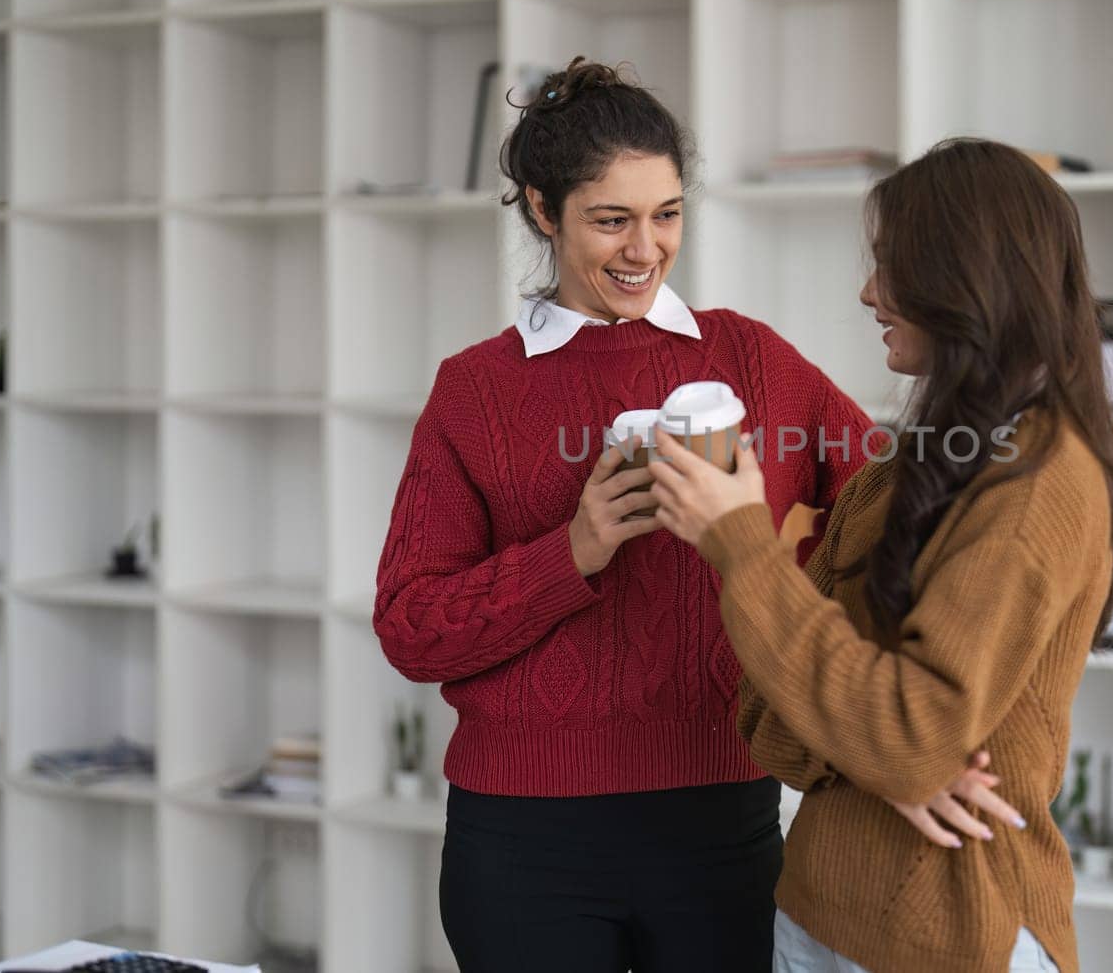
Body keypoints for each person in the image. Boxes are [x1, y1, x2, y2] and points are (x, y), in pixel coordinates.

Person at [372, 58, 879, 973]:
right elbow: (412, 627)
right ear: (541, 208)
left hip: (725, 819)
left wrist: (771, 569)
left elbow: (891, 514)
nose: (644, 248)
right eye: (612, 220)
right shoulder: (475, 391)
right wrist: (574, 548)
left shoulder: (753, 361)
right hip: (525, 842)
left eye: (667, 214)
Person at [648, 138, 1113, 973]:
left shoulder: (1042, 483)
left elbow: (902, 730)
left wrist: (741, 543)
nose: (869, 293)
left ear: (965, 278)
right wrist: (888, 752)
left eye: (891, 267)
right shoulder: (902, 470)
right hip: (815, 913)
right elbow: (776, 727)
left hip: (950, 938)